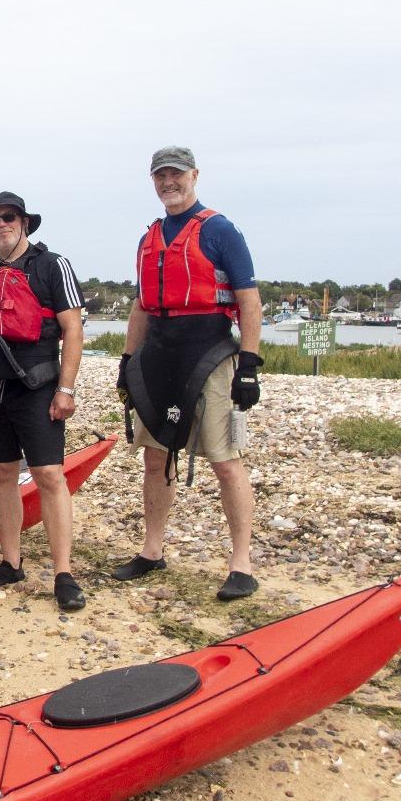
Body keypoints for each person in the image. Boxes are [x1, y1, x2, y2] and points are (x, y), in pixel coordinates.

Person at [116, 146, 264, 601]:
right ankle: (152, 549)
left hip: (211, 350)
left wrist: (249, 366)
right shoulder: (150, 237)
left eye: (176, 174)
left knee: (224, 460)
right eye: (161, 176)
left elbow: (249, 299)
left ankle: (241, 563)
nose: (169, 182)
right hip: (160, 353)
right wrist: (127, 360)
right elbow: (142, 304)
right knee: (155, 457)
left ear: (194, 175)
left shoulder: (220, 230)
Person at [0, 192, 87, 611]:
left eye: (8, 217)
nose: (1, 225)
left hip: (37, 385)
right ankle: (11, 562)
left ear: (24, 222)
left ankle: (63, 573)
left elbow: (73, 330)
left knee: (49, 474)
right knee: (2, 473)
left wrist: (65, 389)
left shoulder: (53, 266)